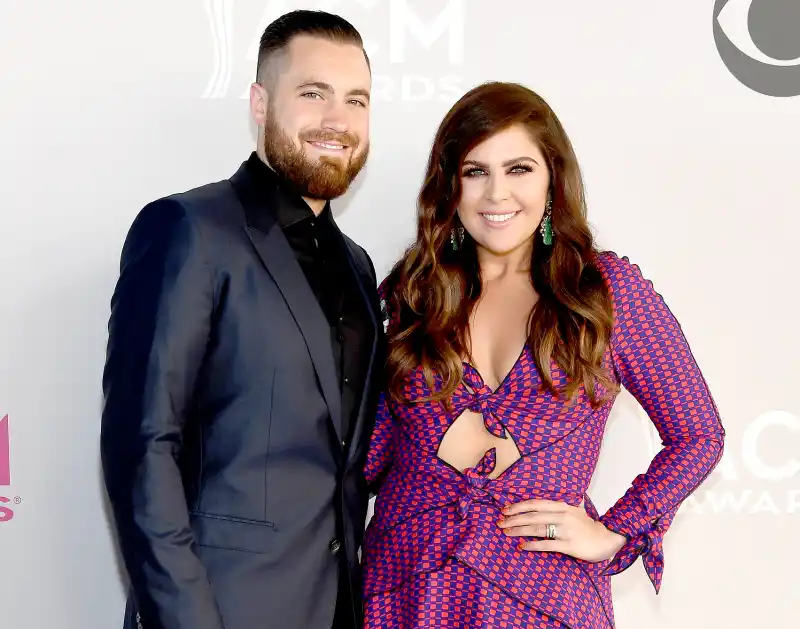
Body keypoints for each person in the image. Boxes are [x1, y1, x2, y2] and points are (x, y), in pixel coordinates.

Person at [362, 81, 725, 628]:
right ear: (450, 186)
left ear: (553, 178)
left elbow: (699, 434)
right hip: (407, 588)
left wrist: (616, 532)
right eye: (474, 171)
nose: (496, 195)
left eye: (519, 169)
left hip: (543, 598)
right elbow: (369, 453)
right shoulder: (413, 293)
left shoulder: (605, 292)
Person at [100, 10, 381, 629]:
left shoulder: (359, 269)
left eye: (356, 100)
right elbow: (142, 448)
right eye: (313, 94)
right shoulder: (189, 231)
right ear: (260, 102)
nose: (338, 120)